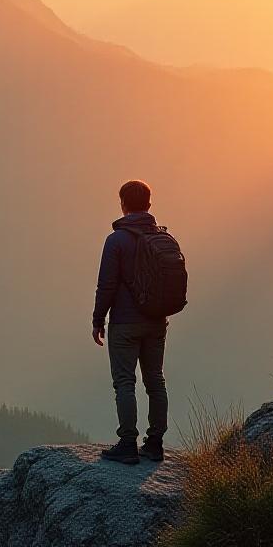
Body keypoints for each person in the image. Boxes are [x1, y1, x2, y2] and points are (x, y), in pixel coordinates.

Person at [92, 179, 169, 465]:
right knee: (155, 380)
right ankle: (155, 444)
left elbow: (107, 285)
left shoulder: (116, 241)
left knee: (125, 382)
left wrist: (98, 319)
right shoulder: (162, 238)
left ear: (123, 204)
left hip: (124, 323)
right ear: (148, 204)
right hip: (156, 321)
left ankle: (127, 443)